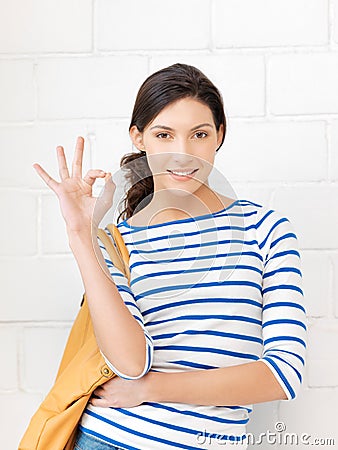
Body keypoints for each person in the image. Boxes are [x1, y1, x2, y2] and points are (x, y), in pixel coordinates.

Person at [33, 63, 307, 450]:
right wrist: (82, 234)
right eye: (164, 135)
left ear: (219, 136)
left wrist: (151, 389)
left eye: (199, 134)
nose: (182, 153)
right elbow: (130, 363)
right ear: (139, 138)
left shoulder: (267, 230)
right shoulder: (117, 241)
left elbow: (283, 374)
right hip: (105, 439)